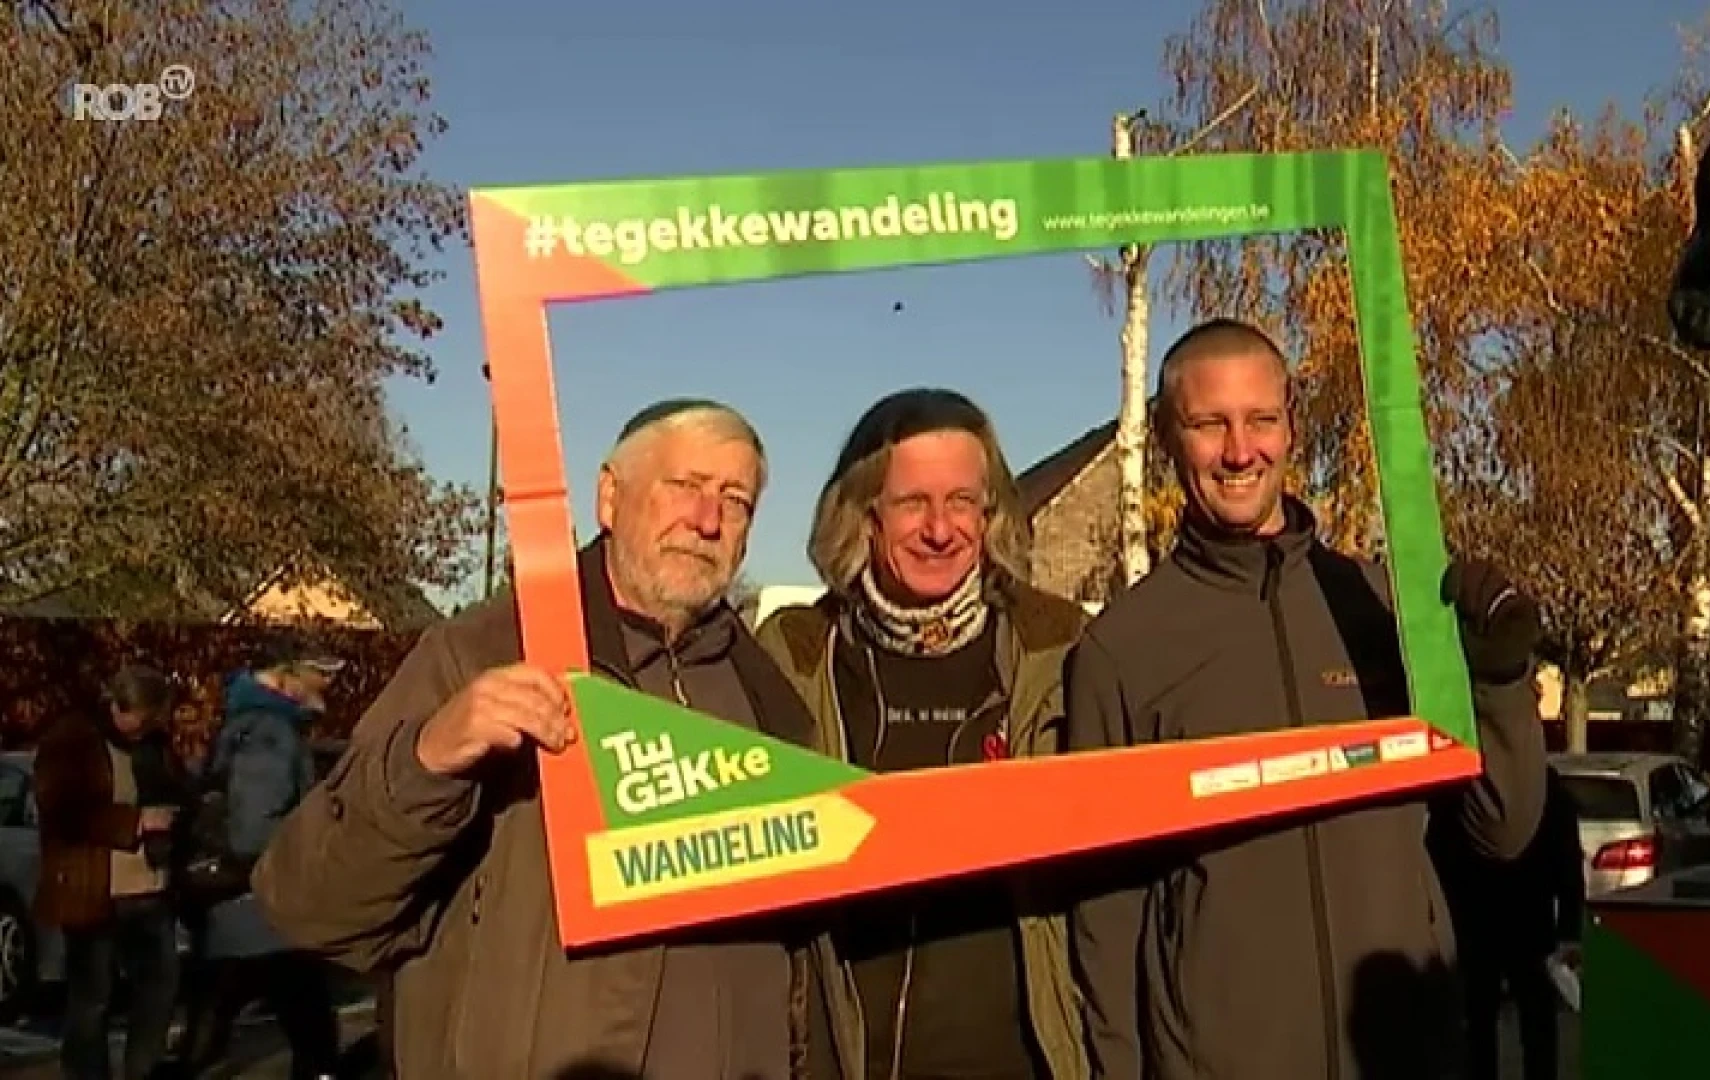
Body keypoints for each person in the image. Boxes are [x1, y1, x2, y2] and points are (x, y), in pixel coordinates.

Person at [251, 399, 818, 1078]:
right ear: (610, 496)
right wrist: (427, 761)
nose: (706, 521)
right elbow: (311, 906)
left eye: (735, 500)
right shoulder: (481, 652)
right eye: (685, 486)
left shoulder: (775, 702)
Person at [1064, 317, 1549, 1080]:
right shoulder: (1122, 650)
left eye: (1261, 419)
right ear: (1166, 437)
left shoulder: (1384, 608)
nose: (1238, 451)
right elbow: (1104, 913)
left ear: (1292, 423)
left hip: (1405, 1054)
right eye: (1208, 424)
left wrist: (1499, 682)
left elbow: (1502, 831)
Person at [756, 389, 1088, 1079]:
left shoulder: (1059, 647)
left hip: (1017, 1060)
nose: (941, 530)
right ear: (863, 514)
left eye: (962, 501)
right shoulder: (791, 655)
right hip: (837, 1058)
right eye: (913, 503)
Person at [173, 635, 345, 1079]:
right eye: (320, 672)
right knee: (313, 1038)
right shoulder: (268, 733)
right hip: (263, 914)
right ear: (287, 677)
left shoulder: (250, 725)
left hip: (246, 914)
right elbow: (252, 831)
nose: (328, 683)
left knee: (211, 1031)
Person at [34, 664, 189, 1080]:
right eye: (144, 718)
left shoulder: (154, 746)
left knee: (158, 990)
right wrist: (136, 822)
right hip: (94, 891)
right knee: (92, 999)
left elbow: (178, 789)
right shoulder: (73, 741)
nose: (148, 727)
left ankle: (144, 1070)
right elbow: (61, 812)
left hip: (150, 887)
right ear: (122, 707)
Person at [1429, 763, 1586, 1080]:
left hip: (1477, 922)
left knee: (1480, 1023)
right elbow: (1568, 858)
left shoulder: (1465, 785)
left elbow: (1438, 849)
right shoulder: (1541, 783)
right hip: (1528, 920)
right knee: (1534, 1023)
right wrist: (1569, 927)